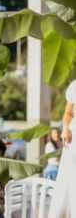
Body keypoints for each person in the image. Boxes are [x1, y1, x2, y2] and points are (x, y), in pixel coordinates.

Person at [49, 80, 76, 217]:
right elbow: (68, 113)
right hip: (74, 137)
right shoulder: (75, 86)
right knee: (70, 177)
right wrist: (65, 129)